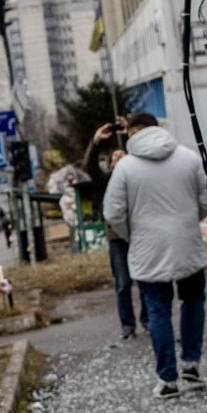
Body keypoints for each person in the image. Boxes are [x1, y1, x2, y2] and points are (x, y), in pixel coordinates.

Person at [102, 112, 207, 400]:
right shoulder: (189, 157)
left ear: (136, 131)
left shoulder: (126, 168)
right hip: (187, 242)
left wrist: (133, 234)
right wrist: (189, 221)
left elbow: (112, 212)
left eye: (129, 131)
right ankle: (191, 363)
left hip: (146, 248)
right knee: (193, 300)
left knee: (158, 311)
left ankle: (167, 379)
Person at [82, 118, 138, 340]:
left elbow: (145, 153)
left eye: (122, 155)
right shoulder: (106, 181)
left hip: (139, 235)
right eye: (114, 158)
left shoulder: (136, 176)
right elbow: (89, 167)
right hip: (116, 238)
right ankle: (127, 325)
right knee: (123, 283)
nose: (118, 158)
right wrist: (95, 143)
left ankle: (148, 319)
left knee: (146, 281)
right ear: (111, 166)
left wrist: (130, 133)